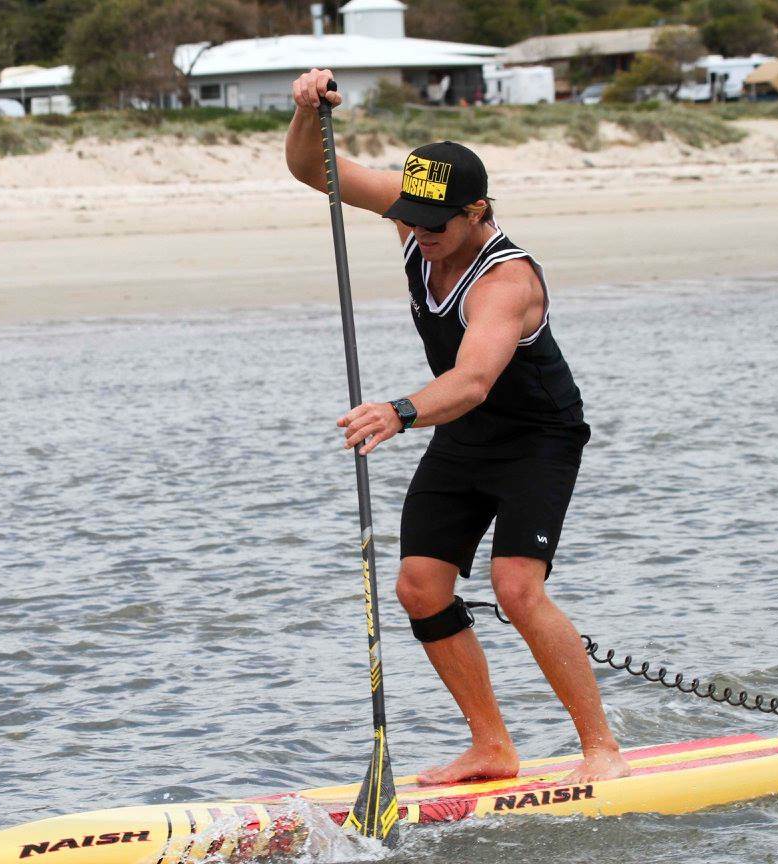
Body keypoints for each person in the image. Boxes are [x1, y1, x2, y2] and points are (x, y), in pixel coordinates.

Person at [284, 69, 629, 785]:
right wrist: (302, 111)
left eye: (436, 222)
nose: (419, 232)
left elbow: (473, 381)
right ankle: (492, 746)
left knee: (516, 587)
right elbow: (311, 169)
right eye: (409, 216)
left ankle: (601, 750)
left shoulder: (508, 281)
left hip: (537, 436)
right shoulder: (421, 217)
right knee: (419, 586)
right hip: (464, 435)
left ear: (478, 211)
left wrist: (399, 411)